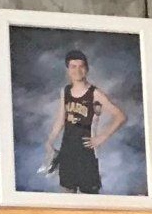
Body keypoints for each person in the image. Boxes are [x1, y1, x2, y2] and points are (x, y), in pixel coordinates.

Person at [41, 46, 127, 195]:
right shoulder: (65, 91)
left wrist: (102, 137)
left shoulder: (95, 93)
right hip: (67, 150)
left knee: (90, 196)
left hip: (86, 153)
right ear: (68, 70)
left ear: (86, 68)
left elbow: (120, 116)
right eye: (73, 66)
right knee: (67, 194)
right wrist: (50, 140)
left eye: (81, 66)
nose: (77, 70)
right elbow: (61, 119)